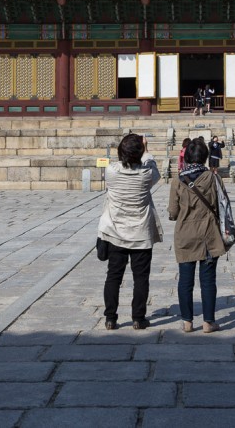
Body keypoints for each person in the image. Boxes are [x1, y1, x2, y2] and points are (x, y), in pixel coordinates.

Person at [98, 134, 162, 330]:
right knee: (140, 277)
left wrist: (132, 152)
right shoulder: (147, 175)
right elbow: (152, 166)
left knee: (113, 276)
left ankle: (110, 317)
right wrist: (146, 149)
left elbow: (119, 164)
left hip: (115, 233)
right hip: (140, 234)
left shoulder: (111, 172)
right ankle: (138, 317)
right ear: (140, 154)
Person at [169, 138, 227, 333]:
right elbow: (223, 206)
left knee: (185, 280)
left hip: (185, 234)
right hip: (209, 235)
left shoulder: (178, 180)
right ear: (205, 157)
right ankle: (208, 322)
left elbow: (173, 212)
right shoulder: (213, 178)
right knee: (208, 280)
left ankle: (187, 321)